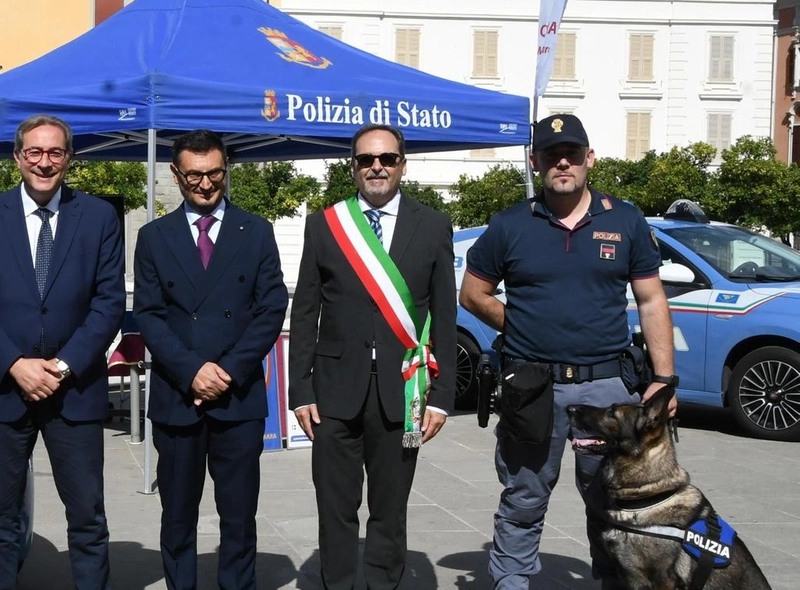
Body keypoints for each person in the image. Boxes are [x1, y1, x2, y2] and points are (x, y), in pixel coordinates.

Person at [460, 113, 677, 590]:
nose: (563, 162)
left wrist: (663, 378)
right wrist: (522, 327)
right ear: (535, 162)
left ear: (589, 159)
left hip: (606, 391)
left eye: (572, 154)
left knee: (613, 500)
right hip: (532, 391)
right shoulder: (509, 225)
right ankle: (510, 583)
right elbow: (472, 294)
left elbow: (651, 299)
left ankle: (614, 581)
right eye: (552, 155)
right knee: (523, 498)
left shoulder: (624, 219)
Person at [0, 114, 126, 590]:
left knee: (88, 516)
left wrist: (65, 366)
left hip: (75, 390)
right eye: (34, 152)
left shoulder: (99, 218)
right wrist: (15, 365)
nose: (44, 162)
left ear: (69, 159)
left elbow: (109, 302)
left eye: (55, 153)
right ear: (17, 157)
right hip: (4, 390)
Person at [289, 124, 457, 590]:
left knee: (390, 510)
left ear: (403, 164)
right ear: (353, 166)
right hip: (334, 394)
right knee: (335, 510)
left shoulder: (433, 224)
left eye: (386, 158)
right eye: (366, 160)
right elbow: (305, 310)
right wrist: (299, 390)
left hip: (402, 396)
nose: (376, 167)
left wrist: (442, 397)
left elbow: (445, 313)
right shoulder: (325, 223)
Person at [132, 130, 289, 590]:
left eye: (214, 173)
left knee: (239, 516)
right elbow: (149, 314)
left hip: (236, 396)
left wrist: (228, 370)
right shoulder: (153, 237)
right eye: (194, 175)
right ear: (177, 176)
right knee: (177, 515)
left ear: (226, 171)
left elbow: (271, 308)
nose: (205, 184)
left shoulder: (256, 231)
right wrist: (192, 371)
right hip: (178, 398)